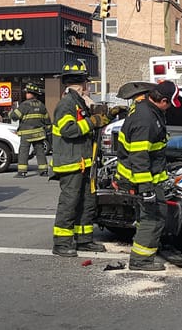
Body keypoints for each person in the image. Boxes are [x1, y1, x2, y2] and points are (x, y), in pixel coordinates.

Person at [115, 81, 181, 271]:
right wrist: (146, 189)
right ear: (163, 100)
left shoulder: (145, 108)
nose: (170, 109)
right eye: (170, 104)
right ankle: (141, 261)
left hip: (143, 177)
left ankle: (145, 253)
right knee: (153, 218)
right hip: (141, 179)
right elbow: (139, 156)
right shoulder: (146, 120)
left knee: (147, 217)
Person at [51, 60, 113, 257]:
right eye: (87, 84)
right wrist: (92, 121)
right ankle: (61, 243)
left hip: (84, 163)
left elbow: (90, 125)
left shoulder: (78, 102)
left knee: (87, 202)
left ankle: (84, 239)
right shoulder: (66, 104)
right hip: (71, 164)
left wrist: (106, 116)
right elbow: (68, 131)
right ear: (82, 84)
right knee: (69, 204)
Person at [9, 83, 51, 178]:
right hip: (39, 134)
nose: (26, 94)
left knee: (23, 152)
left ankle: (22, 172)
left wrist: (12, 110)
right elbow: (47, 121)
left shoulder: (24, 105)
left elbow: (14, 117)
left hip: (27, 135)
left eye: (27, 92)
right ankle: (44, 171)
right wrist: (47, 131)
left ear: (31, 93)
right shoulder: (41, 105)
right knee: (40, 152)